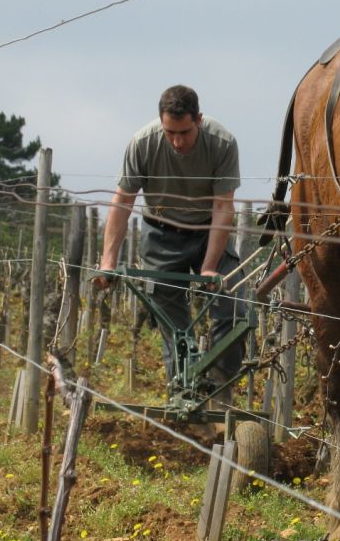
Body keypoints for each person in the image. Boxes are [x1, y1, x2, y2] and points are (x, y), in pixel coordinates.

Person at [95, 84, 246, 401]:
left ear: (199, 120)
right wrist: (108, 261)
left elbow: (223, 208)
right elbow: (123, 202)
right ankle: (183, 392)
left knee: (233, 308)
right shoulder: (143, 143)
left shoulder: (222, 143)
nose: (177, 141)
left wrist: (208, 269)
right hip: (161, 234)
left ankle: (219, 390)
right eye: (170, 133)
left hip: (208, 232)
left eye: (185, 133)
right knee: (173, 325)